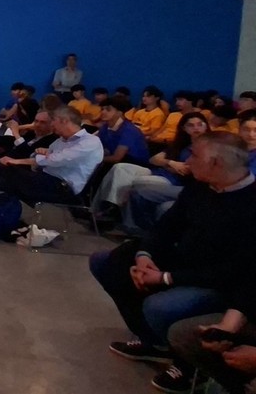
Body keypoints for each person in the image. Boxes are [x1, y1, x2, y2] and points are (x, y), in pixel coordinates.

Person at [89, 132, 256, 393]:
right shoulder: (201, 186)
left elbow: (237, 271)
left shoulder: (250, 204)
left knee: (160, 306)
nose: (188, 161)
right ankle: (154, 341)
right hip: (184, 263)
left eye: (195, 155)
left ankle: (186, 362)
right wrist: (145, 257)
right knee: (106, 263)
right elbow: (167, 226)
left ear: (216, 163)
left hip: (220, 282)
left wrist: (166, 278)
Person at [0, 106, 103, 240]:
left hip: (62, 188)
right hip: (44, 180)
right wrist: (41, 154)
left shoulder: (89, 142)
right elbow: (37, 156)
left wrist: (18, 161)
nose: (52, 126)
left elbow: (55, 160)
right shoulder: (60, 141)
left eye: (53, 122)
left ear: (64, 121)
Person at [119, 112, 209, 235]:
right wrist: (171, 163)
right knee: (125, 175)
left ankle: (144, 232)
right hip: (168, 177)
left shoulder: (210, 147)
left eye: (200, 124)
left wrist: (171, 167)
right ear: (184, 128)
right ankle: (135, 228)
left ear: (206, 126)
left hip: (189, 186)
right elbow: (154, 159)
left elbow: (188, 170)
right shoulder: (181, 145)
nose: (196, 128)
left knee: (140, 188)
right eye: (191, 125)